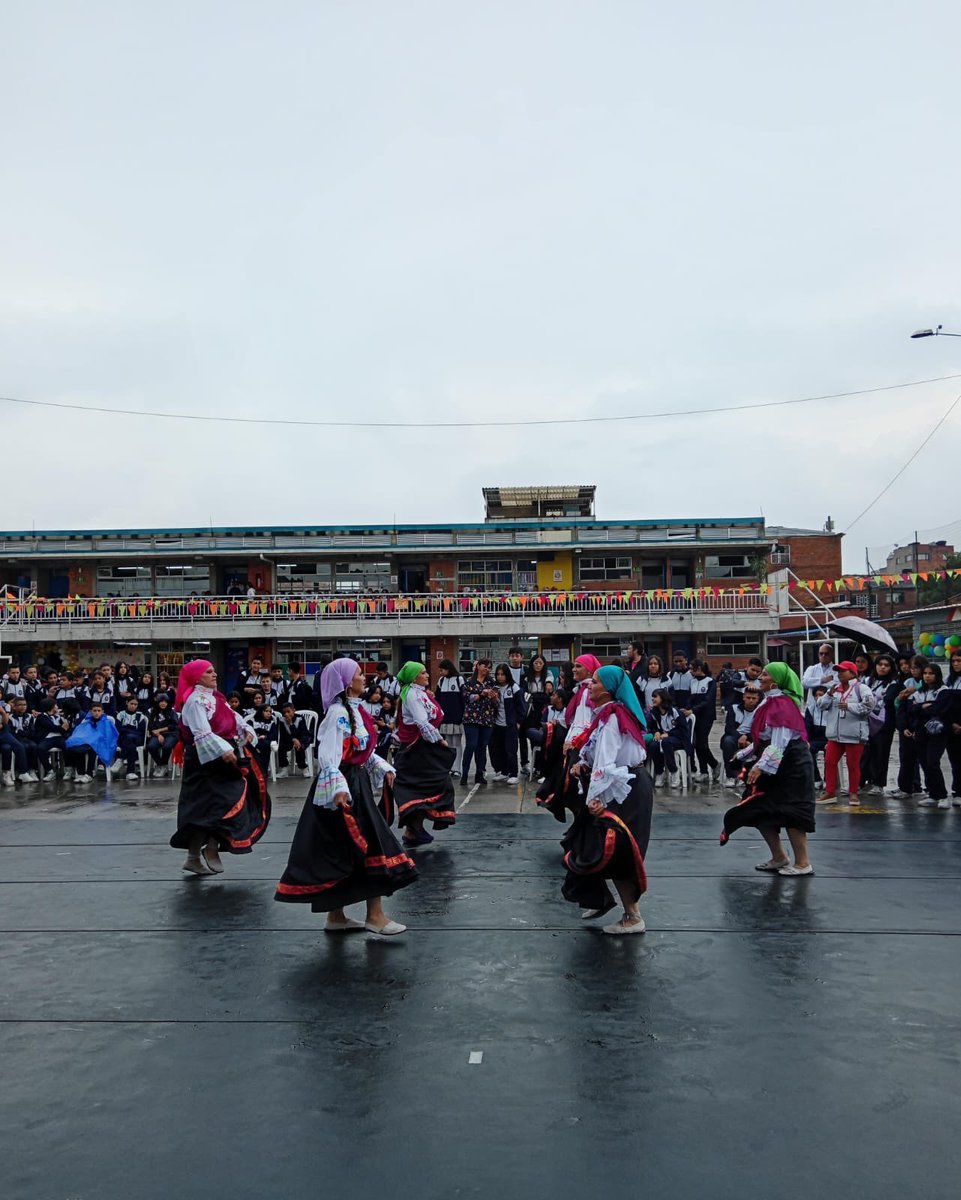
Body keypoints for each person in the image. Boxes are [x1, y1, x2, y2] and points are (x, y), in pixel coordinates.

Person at [275, 658, 417, 935]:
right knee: (369, 846)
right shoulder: (338, 714)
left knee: (342, 849)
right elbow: (330, 756)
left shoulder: (355, 710)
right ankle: (374, 916)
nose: (364, 678)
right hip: (344, 788)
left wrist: (381, 767)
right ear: (346, 682)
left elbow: (360, 750)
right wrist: (338, 789)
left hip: (353, 783)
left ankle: (336, 915)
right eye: (359, 674)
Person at [561, 665, 653, 934]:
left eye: (596, 682)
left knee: (618, 851)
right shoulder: (607, 715)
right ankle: (599, 898)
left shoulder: (613, 717)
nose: (590, 685)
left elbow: (606, 761)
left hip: (625, 791)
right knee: (591, 845)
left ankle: (633, 917)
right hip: (620, 786)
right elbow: (596, 751)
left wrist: (595, 797)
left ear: (610, 690)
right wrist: (582, 763)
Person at [169, 660, 271, 877]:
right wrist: (224, 750)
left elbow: (233, 718)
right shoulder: (196, 701)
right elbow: (202, 732)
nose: (214, 674)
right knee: (212, 807)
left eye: (214, 670)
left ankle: (199, 854)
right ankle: (206, 850)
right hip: (206, 761)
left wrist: (245, 729)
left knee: (214, 807)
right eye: (208, 672)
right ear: (197, 677)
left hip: (219, 758)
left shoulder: (217, 698)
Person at [720, 663, 815, 876]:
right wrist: (743, 755)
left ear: (775, 681)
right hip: (776, 760)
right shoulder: (769, 701)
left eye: (764, 674)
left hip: (792, 765)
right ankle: (779, 856)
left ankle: (803, 862)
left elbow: (779, 743)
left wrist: (760, 767)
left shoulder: (781, 704)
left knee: (793, 812)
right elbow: (762, 738)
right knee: (759, 809)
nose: (759, 677)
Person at [392, 662, 457, 846]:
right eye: (423, 673)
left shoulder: (419, 693)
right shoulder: (412, 695)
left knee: (432, 785)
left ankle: (413, 830)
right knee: (423, 787)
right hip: (417, 748)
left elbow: (437, 713)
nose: (428, 675)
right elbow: (422, 722)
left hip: (423, 747)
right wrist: (439, 740)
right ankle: (413, 829)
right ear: (414, 677)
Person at [817, 660, 874, 805]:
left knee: (852, 765)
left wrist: (849, 706)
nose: (840, 674)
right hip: (834, 734)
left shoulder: (861, 688)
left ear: (852, 673)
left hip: (854, 734)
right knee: (829, 762)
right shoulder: (834, 689)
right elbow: (821, 706)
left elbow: (869, 706)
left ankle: (853, 793)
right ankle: (830, 792)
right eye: (838, 671)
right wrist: (828, 695)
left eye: (843, 671)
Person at [910, 663, 948, 810]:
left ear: (937, 675)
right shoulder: (920, 691)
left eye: (931, 673)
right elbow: (911, 709)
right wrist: (922, 707)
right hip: (921, 732)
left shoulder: (943, 690)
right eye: (925, 673)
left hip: (937, 732)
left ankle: (943, 796)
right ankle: (934, 794)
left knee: (933, 763)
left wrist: (922, 707)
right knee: (925, 764)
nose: (927, 676)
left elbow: (938, 709)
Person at [861, 654, 899, 794]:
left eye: (886, 665)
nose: (882, 667)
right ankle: (861, 781)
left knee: (881, 753)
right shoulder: (867, 680)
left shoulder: (893, 684)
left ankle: (878, 784)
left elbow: (888, 700)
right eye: (880, 664)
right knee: (864, 753)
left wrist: (871, 699)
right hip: (866, 722)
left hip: (884, 724)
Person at [460, 659, 499, 787]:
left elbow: (497, 703)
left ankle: (479, 773)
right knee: (471, 745)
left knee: (482, 747)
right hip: (471, 718)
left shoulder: (491, 683)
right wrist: (481, 694)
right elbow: (467, 698)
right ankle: (464, 773)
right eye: (484, 666)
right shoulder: (468, 682)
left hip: (487, 719)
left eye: (489, 667)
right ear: (477, 666)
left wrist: (493, 696)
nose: (486, 669)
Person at [648, 687, 693, 787]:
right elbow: (653, 727)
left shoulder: (675, 711)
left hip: (679, 739)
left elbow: (683, 729)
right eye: (652, 697)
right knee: (653, 745)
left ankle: (674, 771)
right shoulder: (655, 713)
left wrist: (669, 734)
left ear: (663, 698)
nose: (653, 699)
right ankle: (659, 772)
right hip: (665, 739)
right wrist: (656, 732)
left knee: (666, 742)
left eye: (655, 697)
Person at [65, 701, 118, 784]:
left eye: (98, 711)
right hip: (88, 742)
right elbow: (81, 732)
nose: (97, 713)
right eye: (94, 711)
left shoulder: (107, 722)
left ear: (102, 711)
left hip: (102, 744)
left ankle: (89, 773)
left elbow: (109, 735)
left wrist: (94, 739)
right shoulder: (86, 721)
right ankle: (81, 773)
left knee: (92, 748)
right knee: (77, 747)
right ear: (90, 712)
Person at [720, 683, 762, 786]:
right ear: (743, 697)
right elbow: (729, 728)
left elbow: (760, 730)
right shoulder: (733, 708)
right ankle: (731, 776)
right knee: (728, 742)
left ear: (758, 699)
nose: (751, 700)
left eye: (753, 698)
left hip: (752, 737)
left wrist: (747, 737)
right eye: (748, 697)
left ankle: (746, 776)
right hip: (734, 736)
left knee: (762, 744)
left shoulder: (760, 711)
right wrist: (740, 737)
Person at [686, 659, 720, 783]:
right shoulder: (693, 682)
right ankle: (704, 771)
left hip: (706, 717)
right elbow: (690, 698)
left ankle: (714, 764)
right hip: (694, 717)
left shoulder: (710, 682)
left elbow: (708, 701)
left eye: (692, 668)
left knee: (702, 744)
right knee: (696, 744)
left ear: (699, 668)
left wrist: (693, 710)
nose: (690, 671)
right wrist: (687, 708)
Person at [434, 660, 466, 777]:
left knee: (457, 742)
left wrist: (462, 715)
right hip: (445, 718)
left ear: (448, 669)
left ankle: (458, 768)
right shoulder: (441, 681)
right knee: (448, 743)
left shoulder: (459, 679)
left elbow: (463, 699)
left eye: (442, 670)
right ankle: (451, 767)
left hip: (457, 718)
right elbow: (437, 698)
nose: (440, 672)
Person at [115, 695, 148, 781]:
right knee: (130, 745)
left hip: (137, 738)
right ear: (127, 703)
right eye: (131, 703)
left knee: (129, 737)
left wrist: (126, 729)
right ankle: (130, 772)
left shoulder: (140, 716)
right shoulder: (120, 714)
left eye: (135, 704)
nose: (133, 706)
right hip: (123, 739)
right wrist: (130, 729)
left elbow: (141, 731)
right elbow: (118, 729)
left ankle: (120, 759)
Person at [146, 695, 179, 776]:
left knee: (167, 746)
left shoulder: (172, 712)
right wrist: (158, 735)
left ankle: (164, 765)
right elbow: (150, 726)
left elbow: (174, 726)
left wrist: (160, 730)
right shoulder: (153, 712)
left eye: (165, 702)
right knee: (151, 746)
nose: (163, 703)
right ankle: (161, 765)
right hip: (157, 734)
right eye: (161, 701)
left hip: (171, 734)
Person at [277, 703, 312, 777]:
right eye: (284, 712)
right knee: (281, 745)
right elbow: (283, 735)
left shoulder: (300, 718)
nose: (286, 714)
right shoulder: (282, 720)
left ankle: (304, 767)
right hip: (290, 739)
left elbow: (302, 732)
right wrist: (293, 739)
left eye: (288, 712)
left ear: (293, 710)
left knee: (299, 746)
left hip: (301, 738)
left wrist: (291, 724)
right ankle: (284, 769)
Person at [802, 644, 837, 714]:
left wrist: (813, 683)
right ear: (818, 655)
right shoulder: (811, 668)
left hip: (828, 710)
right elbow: (804, 683)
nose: (823, 656)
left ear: (832, 655)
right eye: (821, 653)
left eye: (826, 654)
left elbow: (835, 685)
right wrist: (822, 680)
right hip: (811, 708)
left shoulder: (837, 669)